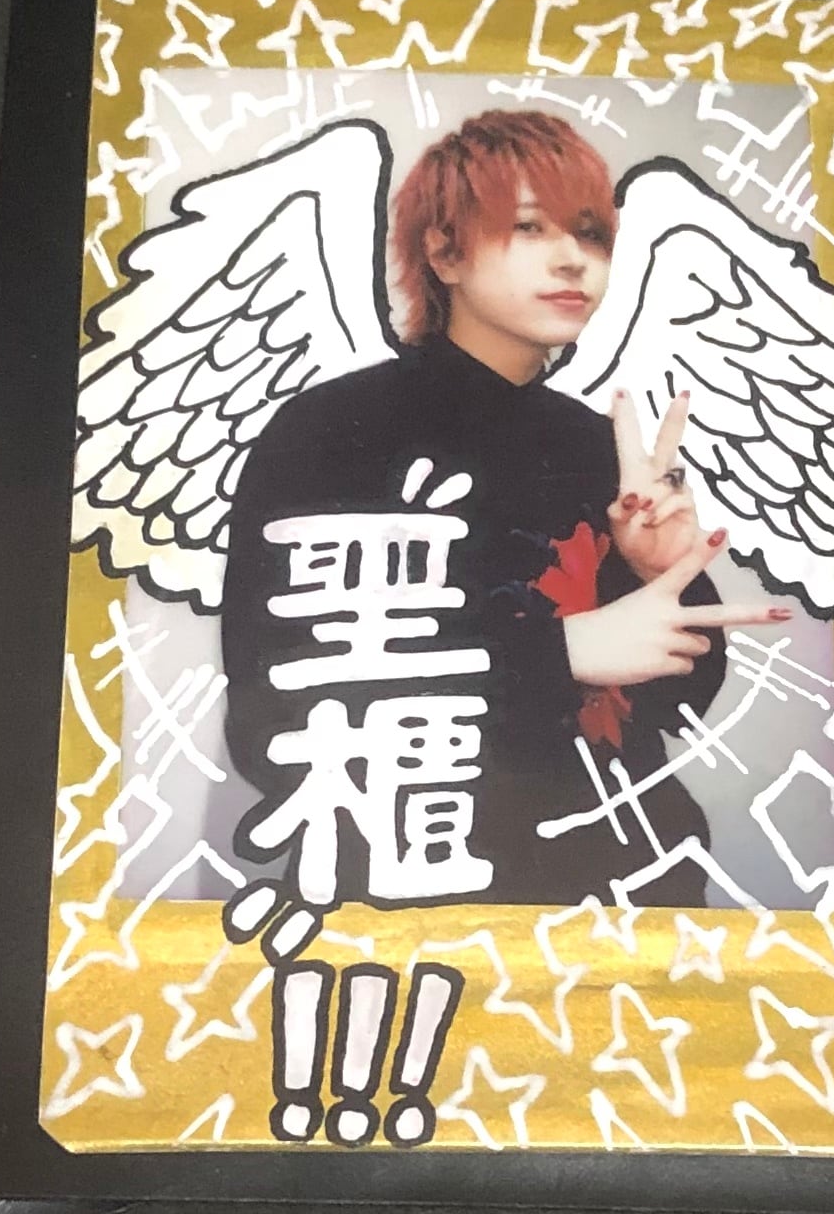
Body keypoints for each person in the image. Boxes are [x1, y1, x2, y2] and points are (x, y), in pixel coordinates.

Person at [220, 111, 787, 909]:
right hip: (413, 904)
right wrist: (563, 653)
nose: (572, 259)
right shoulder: (332, 431)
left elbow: (677, 705)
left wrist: (661, 571)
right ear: (444, 252)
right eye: (528, 227)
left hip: (633, 899)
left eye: (590, 234)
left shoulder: (599, 446)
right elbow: (276, 711)